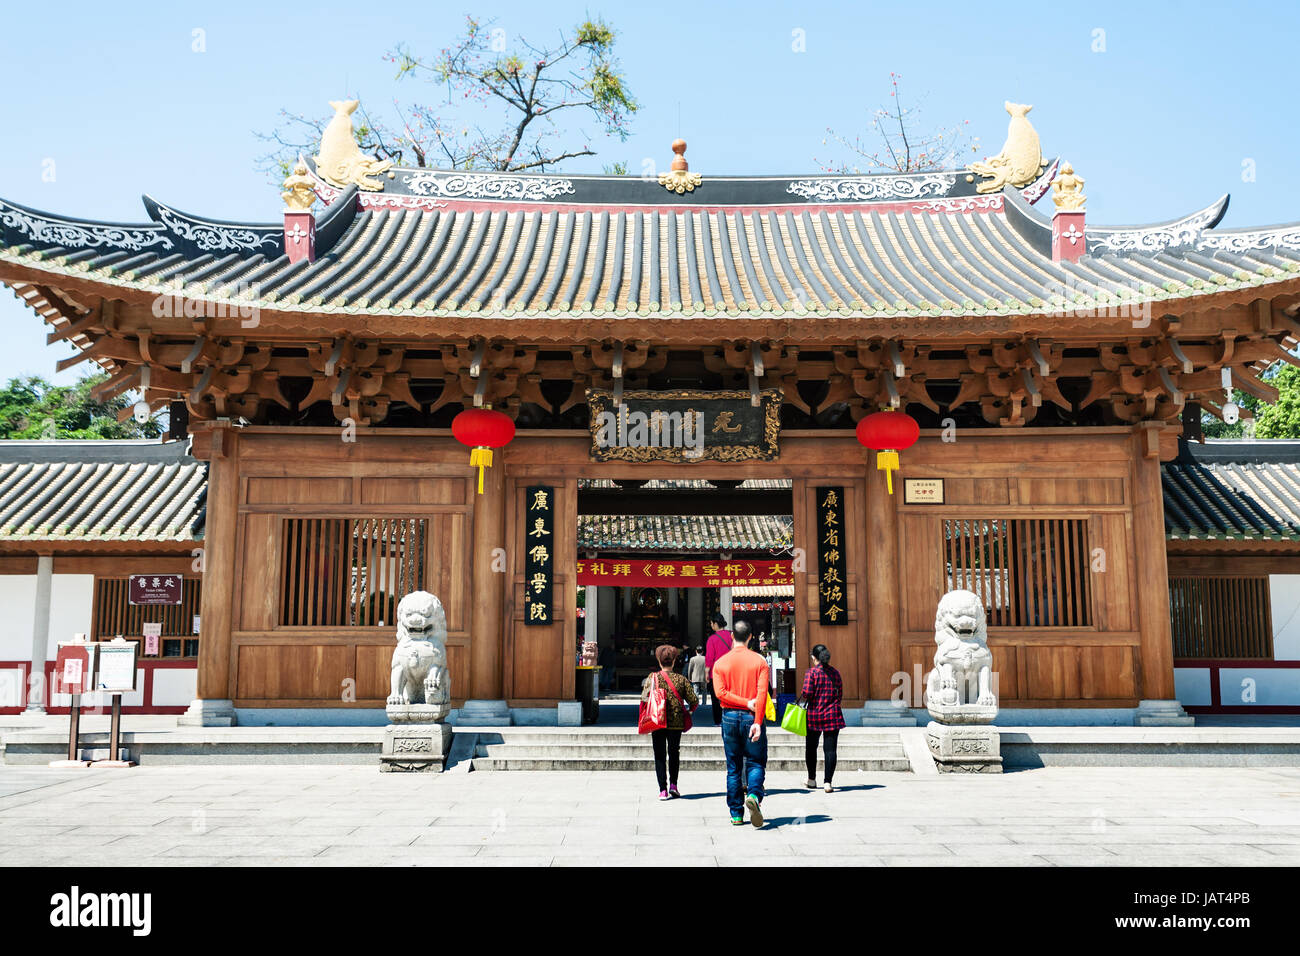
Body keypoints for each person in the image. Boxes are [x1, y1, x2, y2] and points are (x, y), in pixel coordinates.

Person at [711, 620, 769, 827]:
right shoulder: (759, 661)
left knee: (733, 766)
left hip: (728, 716)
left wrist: (743, 702)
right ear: (751, 637)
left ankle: (736, 813)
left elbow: (720, 694)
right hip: (751, 716)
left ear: (731, 637)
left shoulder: (720, 663)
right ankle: (753, 795)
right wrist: (757, 721)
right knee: (755, 761)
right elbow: (762, 694)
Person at [641, 644, 698, 800]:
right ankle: (674, 785)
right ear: (674, 661)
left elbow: (644, 698)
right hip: (676, 722)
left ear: (659, 661)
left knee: (659, 755)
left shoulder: (652, 678)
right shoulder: (681, 679)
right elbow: (694, 700)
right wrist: (689, 712)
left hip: (657, 721)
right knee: (674, 753)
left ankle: (662, 790)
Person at [800, 643, 846, 793]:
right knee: (830, 750)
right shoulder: (835, 673)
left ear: (814, 658)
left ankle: (812, 779)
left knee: (811, 748)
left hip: (814, 715)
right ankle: (828, 783)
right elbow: (839, 694)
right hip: (833, 715)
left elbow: (806, 693)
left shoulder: (811, 673)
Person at [703, 611, 733, 725]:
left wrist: (706, 673)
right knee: (730, 696)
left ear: (715, 623)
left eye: (711, 623)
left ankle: (718, 721)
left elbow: (709, 658)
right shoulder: (732, 635)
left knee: (716, 699)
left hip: (716, 674)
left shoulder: (712, 639)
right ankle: (730, 718)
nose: (711, 625)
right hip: (730, 672)